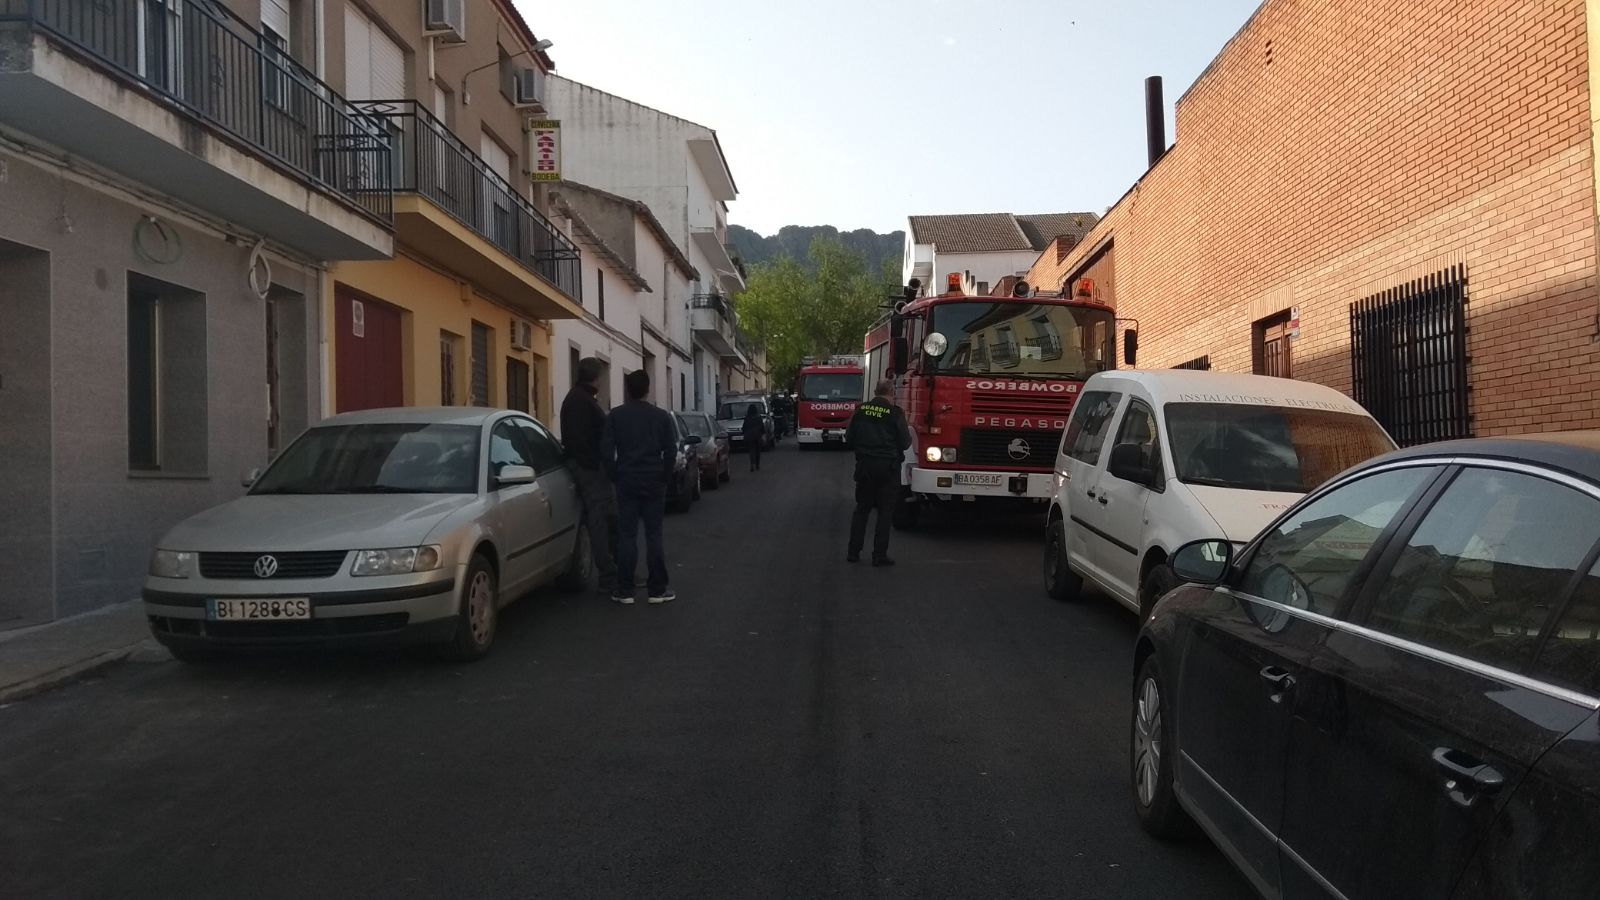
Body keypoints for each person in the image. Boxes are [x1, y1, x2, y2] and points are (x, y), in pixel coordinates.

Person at [600, 369, 677, 605]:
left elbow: (605, 451)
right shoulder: (661, 417)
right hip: (654, 480)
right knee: (654, 535)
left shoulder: (616, 416)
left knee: (627, 535)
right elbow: (671, 450)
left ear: (627, 390)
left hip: (626, 480)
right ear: (647, 389)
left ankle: (625, 590)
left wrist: (616, 474)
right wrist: (663, 475)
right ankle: (657, 589)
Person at [559, 357, 616, 591]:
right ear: (595, 377)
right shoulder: (582, 402)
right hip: (589, 469)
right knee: (600, 519)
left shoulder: (575, 399)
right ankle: (608, 574)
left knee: (603, 517)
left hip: (586, 466)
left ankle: (610, 569)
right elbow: (584, 440)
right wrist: (596, 465)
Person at [845, 378, 912, 566]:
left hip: (865, 466)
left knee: (862, 510)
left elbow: (849, 438)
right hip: (888, 469)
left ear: (875, 391)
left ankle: (853, 552)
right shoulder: (895, 413)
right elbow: (905, 442)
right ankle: (879, 555)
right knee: (885, 512)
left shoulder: (861, 411)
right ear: (892, 392)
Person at [743, 403, 767, 472]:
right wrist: (763, 434)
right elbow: (762, 427)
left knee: (751, 451)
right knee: (757, 451)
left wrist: (744, 433)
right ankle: (757, 464)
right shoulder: (759, 417)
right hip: (757, 436)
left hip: (749, 436)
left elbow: (744, 427)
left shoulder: (747, 417)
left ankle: (752, 464)